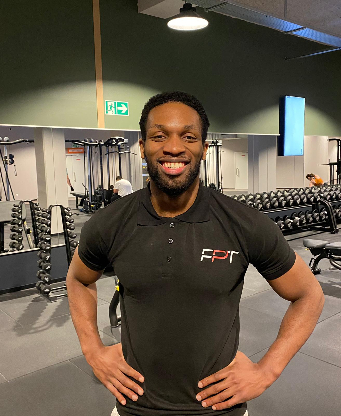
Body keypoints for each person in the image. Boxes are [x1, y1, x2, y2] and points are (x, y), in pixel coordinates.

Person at [67, 91, 324, 416]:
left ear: (204, 148)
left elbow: (308, 295)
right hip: (134, 408)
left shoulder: (244, 223)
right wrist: (93, 351)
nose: (174, 147)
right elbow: (78, 279)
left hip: (221, 410)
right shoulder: (109, 223)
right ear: (142, 146)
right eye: (159, 136)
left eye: (188, 137)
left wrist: (266, 371)